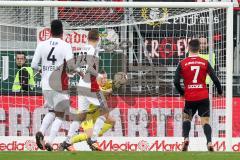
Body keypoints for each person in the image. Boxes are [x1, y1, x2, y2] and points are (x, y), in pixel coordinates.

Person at [31, 19, 73, 151]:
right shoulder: (66, 45)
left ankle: (41, 132)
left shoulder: (41, 45)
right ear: (62, 31)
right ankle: (50, 141)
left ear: (50, 30)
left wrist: (42, 71)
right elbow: (71, 66)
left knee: (51, 111)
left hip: (45, 85)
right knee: (60, 114)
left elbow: (33, 65)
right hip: (60, 84)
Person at [174, 39, 223, 152]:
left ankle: (186, 139)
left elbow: (176, 81)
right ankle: (209, 142)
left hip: (190, 97)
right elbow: (215, 79)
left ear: (188, 48)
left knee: (186, 119)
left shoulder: (183, 63)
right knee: (205, 121)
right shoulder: (204, 62)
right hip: (203, 96)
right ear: (199, 48)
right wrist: (220, 91)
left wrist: (182, 93)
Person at [59, 70, 115, 151]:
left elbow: (116, 83)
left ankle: (93, 138)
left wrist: (118, 84)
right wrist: (109, 91)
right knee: (89, 134)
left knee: (112, 121)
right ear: (97, 78)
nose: (105, 80)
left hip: (96, 112)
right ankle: (67, 143)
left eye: (106, 78)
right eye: (102, 78)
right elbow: (102, 93)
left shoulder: (108, 83)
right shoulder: (92, 87)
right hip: (87, 114)